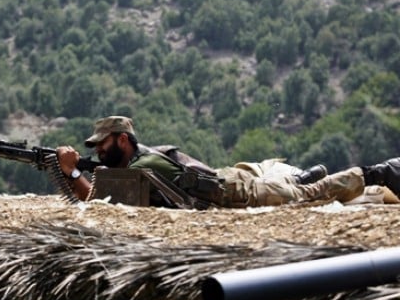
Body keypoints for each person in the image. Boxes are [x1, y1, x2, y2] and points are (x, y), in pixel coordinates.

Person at [56, 115, 400, 208]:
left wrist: (72, 170)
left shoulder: (143, 168)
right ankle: (297, 178)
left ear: (122, 140)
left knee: (314, 194)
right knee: (290, 185)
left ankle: (379, 173)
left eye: (103, 145)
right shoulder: (137, 162)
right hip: (229, 180)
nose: (99, 152)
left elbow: (101, 203)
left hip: (237, 193)